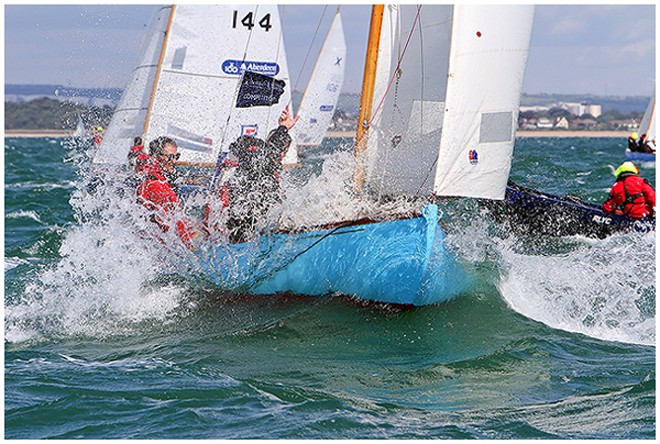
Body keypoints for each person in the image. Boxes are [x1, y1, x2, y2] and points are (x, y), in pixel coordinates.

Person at [220, 106, 299, 243]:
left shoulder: (269, 169)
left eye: (285, 152)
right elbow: (270, 152)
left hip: (253, 226)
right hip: (238, 231)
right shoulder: (254, 164)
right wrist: (283, 128)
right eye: (282, 151)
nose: (282, 155)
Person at [136, 136, 204, 248]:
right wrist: (193, 247)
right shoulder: (158, 187)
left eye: (176, 156)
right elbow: (176, 227)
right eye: (170, 157)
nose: (174, 161)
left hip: (147, 239)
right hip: (157, 248)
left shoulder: (149, 175)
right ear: (156, 156)